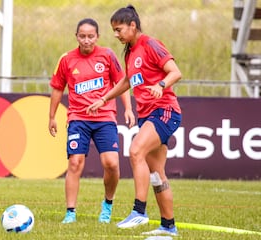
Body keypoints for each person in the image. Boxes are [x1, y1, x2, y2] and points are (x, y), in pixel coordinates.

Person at [87, 5, 182, 236]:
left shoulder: (150, 44)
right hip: (148, 114)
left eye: (119, 29)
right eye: (114, 31)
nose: (116, 35)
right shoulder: (129, 51)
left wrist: (161, 85)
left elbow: (175, 72)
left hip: (165, 111)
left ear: (132, 25)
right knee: (157, 174)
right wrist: (104, 98)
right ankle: (169, 227)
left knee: (136, 150)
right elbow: (127, 81)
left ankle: (139, 211)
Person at [48, 18, 135, 224]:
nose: (86, 40)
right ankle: (70, 213)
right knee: (75, 163)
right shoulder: (67, 60)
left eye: (90, 36)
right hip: (78, 118)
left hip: (105, 118)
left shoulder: (107, 55)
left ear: (97, 37)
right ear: (76, 36)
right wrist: (51, 116)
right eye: (82, 36)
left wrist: (129, 109)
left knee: (111, 164)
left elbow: (121, 83)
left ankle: (107, 205)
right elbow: (58, 88)